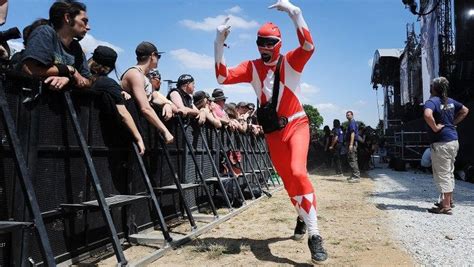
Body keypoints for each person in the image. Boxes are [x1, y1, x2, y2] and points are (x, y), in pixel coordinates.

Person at [213, 0, 327, 263]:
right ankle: (302, 215)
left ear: (279, 43)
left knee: (299, 173)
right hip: (273, 132)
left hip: (297, 124)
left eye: (269, 42)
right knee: (289, 184)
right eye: (260, 42)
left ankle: (314, 234)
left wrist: (294, 12)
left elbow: (309, 46)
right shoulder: (252, 67)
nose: (264, 47)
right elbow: (221, 77)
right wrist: (218, 42)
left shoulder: (290, 62)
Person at [22, 0, 91, 91]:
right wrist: (68, 69)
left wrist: (68, 79)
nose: (88, 27)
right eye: (84, 21)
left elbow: (88, 81)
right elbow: (30, 69)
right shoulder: (45, 33)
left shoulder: (76, 47)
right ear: (68, 18)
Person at [88, 45, 145, 155]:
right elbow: (123, 113)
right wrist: (138, 138)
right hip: (104, 140)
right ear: (111, 67)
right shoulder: (108, 83)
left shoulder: (85, 79)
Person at [423, 77, 469, 214]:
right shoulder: (450, 101)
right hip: (453, 141)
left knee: (442, 174)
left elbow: (427, 114)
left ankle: (446, 206)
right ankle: (449, 200)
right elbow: (465, 110)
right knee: (449, 171)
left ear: (434, 88)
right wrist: (454, 122)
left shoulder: (432, 101)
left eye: (431, 85)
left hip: (441, 142)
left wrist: (435, 128)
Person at [121, 41, 174, 144]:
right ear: (152, 55)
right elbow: (145, 108)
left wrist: (167, 104)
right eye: (158, 56)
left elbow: (155, 96)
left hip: (139, 126)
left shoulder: (145, 76)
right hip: (129, 131)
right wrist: (165, 131)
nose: (158, 59)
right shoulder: (135, 74)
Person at [345, 110, 360, 182]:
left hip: (352, 143)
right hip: (352, 143)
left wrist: (351, 144)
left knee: (352, 159)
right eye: (346, 115)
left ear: (352, 115)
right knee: (351, 159)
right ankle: (353, 175)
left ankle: (356, 176)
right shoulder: (351, 123)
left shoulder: (352, 123)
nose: (347, 116)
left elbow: (352, 133)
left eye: (348, 115)